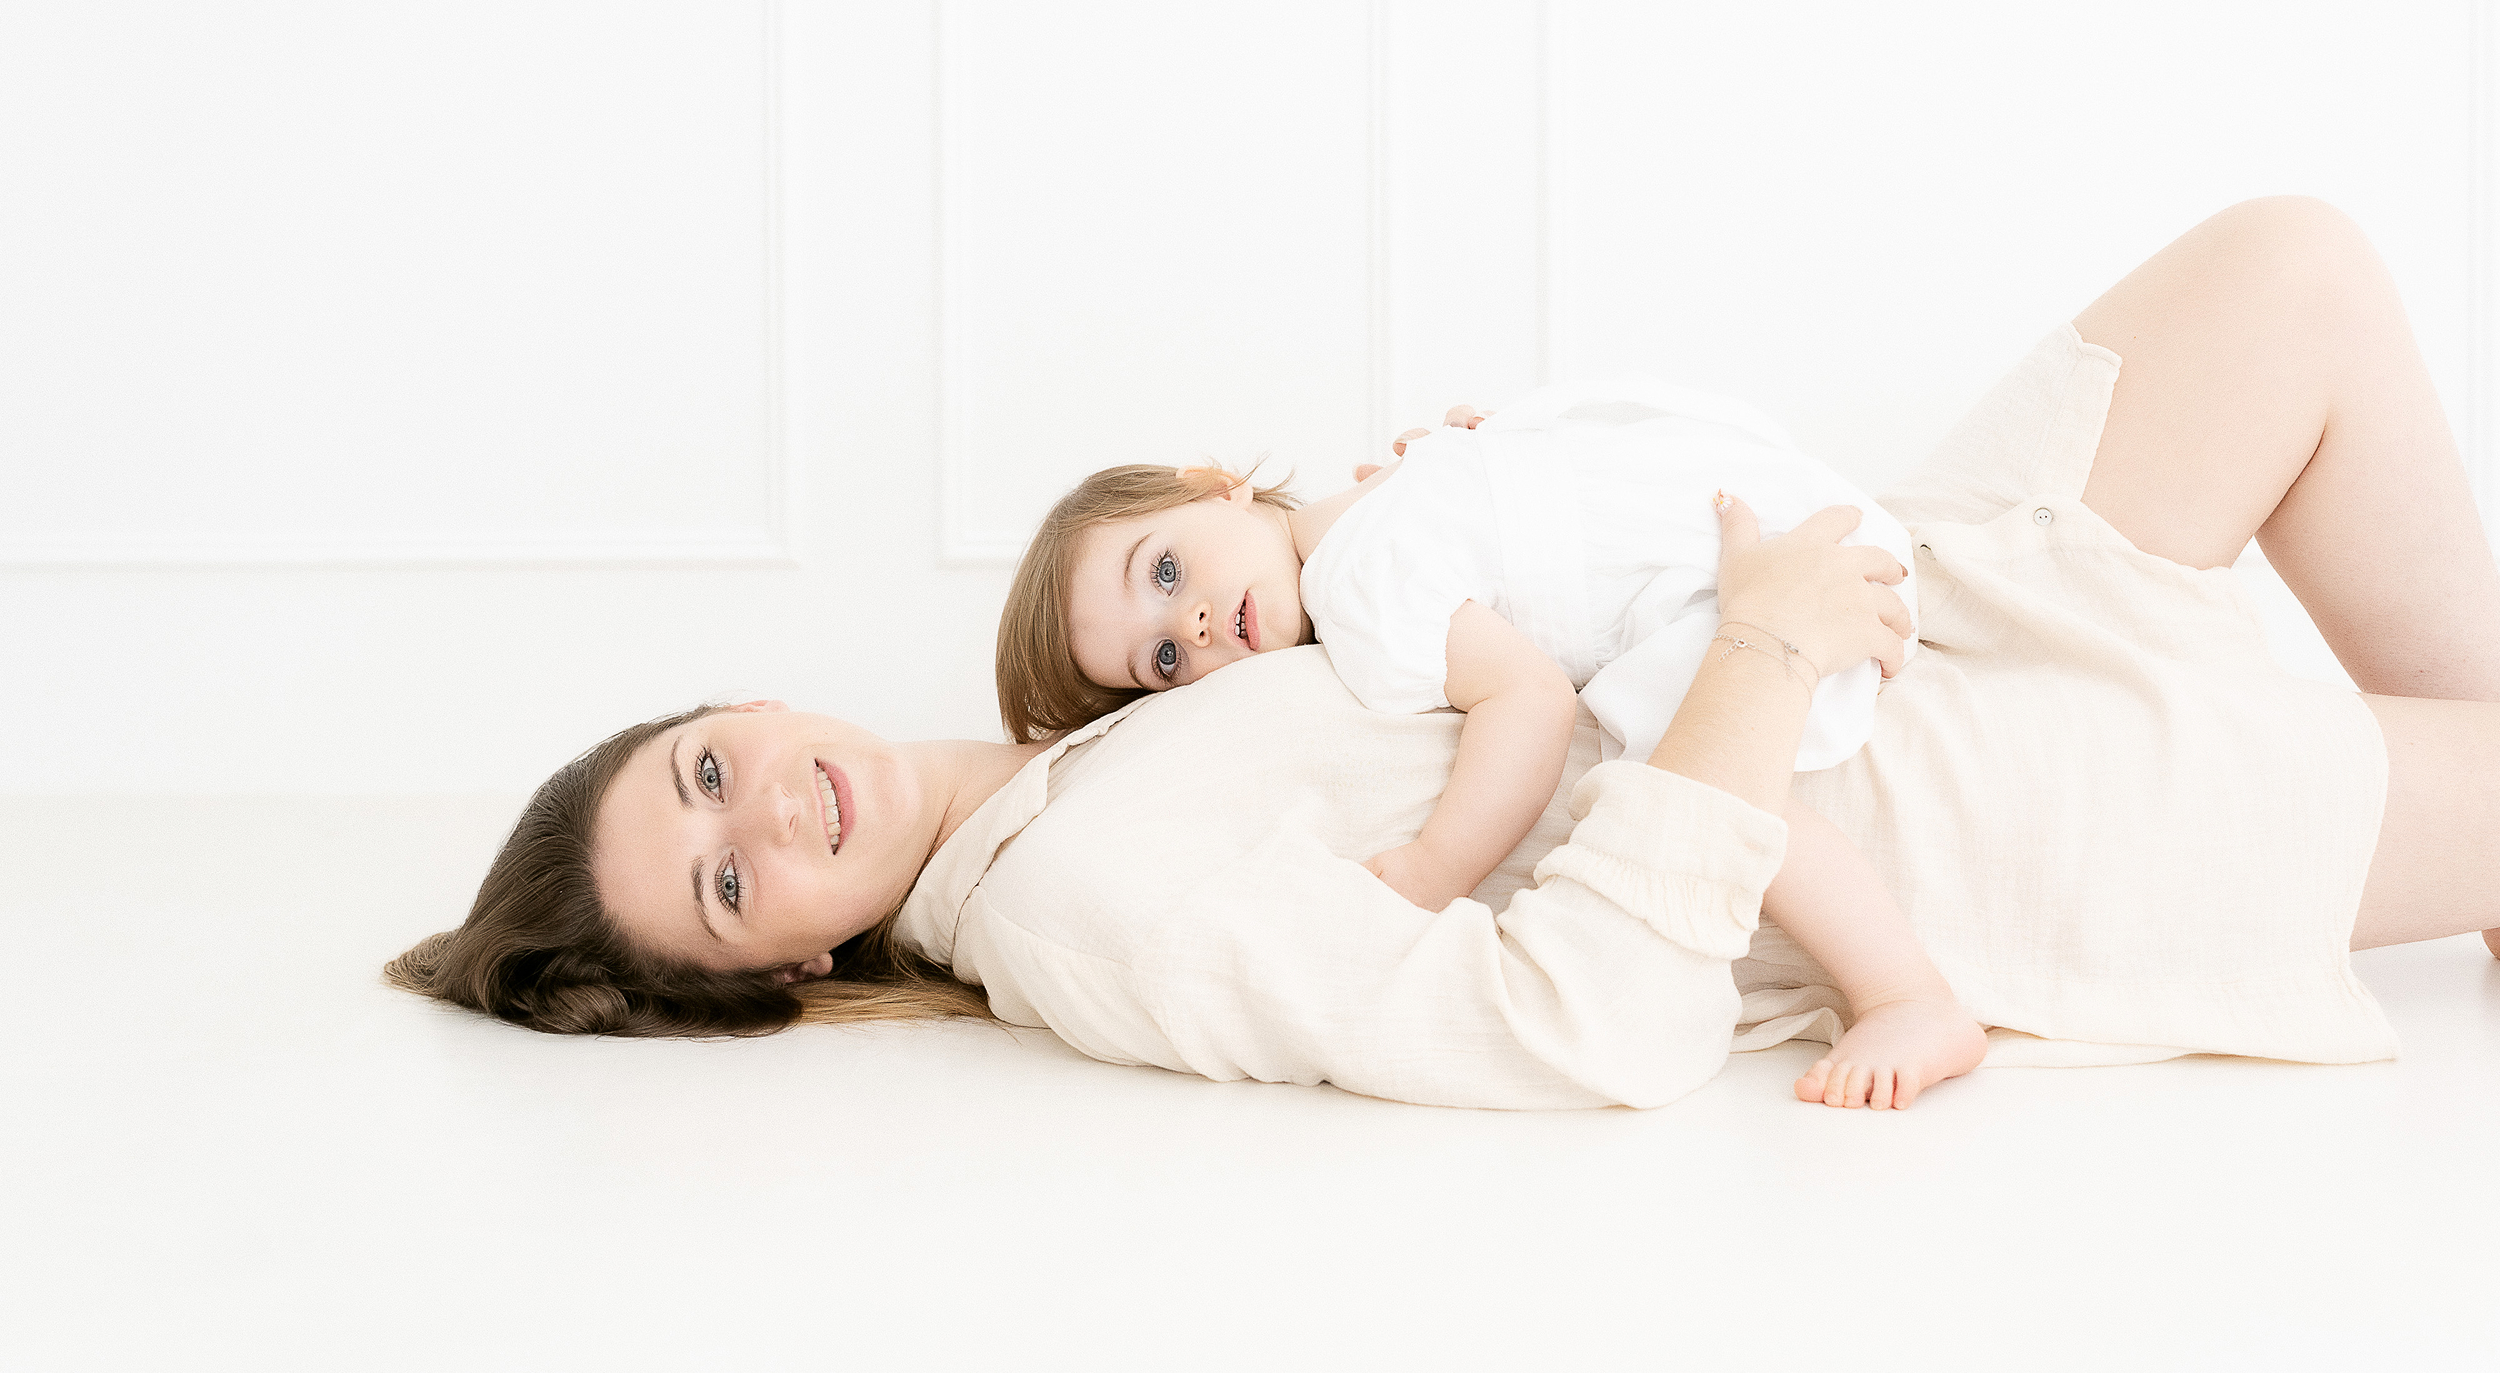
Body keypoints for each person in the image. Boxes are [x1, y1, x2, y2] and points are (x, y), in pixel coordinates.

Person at [388, 197, 2500, 1111]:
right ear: (791, 970)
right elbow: (1556, 1023)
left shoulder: (1092, 698)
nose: (761, 810)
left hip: (1856, 585)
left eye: (700, 777)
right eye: (733, 885)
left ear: (726, 707)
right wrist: (1750, 669)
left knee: (2287, 274)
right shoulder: (1081, 912)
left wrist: (1454, 512)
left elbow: (1401, 599)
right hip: (1878, 808)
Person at [993, 380, 1980, 1102]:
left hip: (1755, 571)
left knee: (1695, 788)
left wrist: (1431, 867)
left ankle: (1905, 992)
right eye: (1162, 659)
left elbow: (1533, 701)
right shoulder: (1399, 483)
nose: (1195, 626)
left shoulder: (1357, 587)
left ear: (1216, 485)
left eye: (1164, 570)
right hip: (1774, 494)